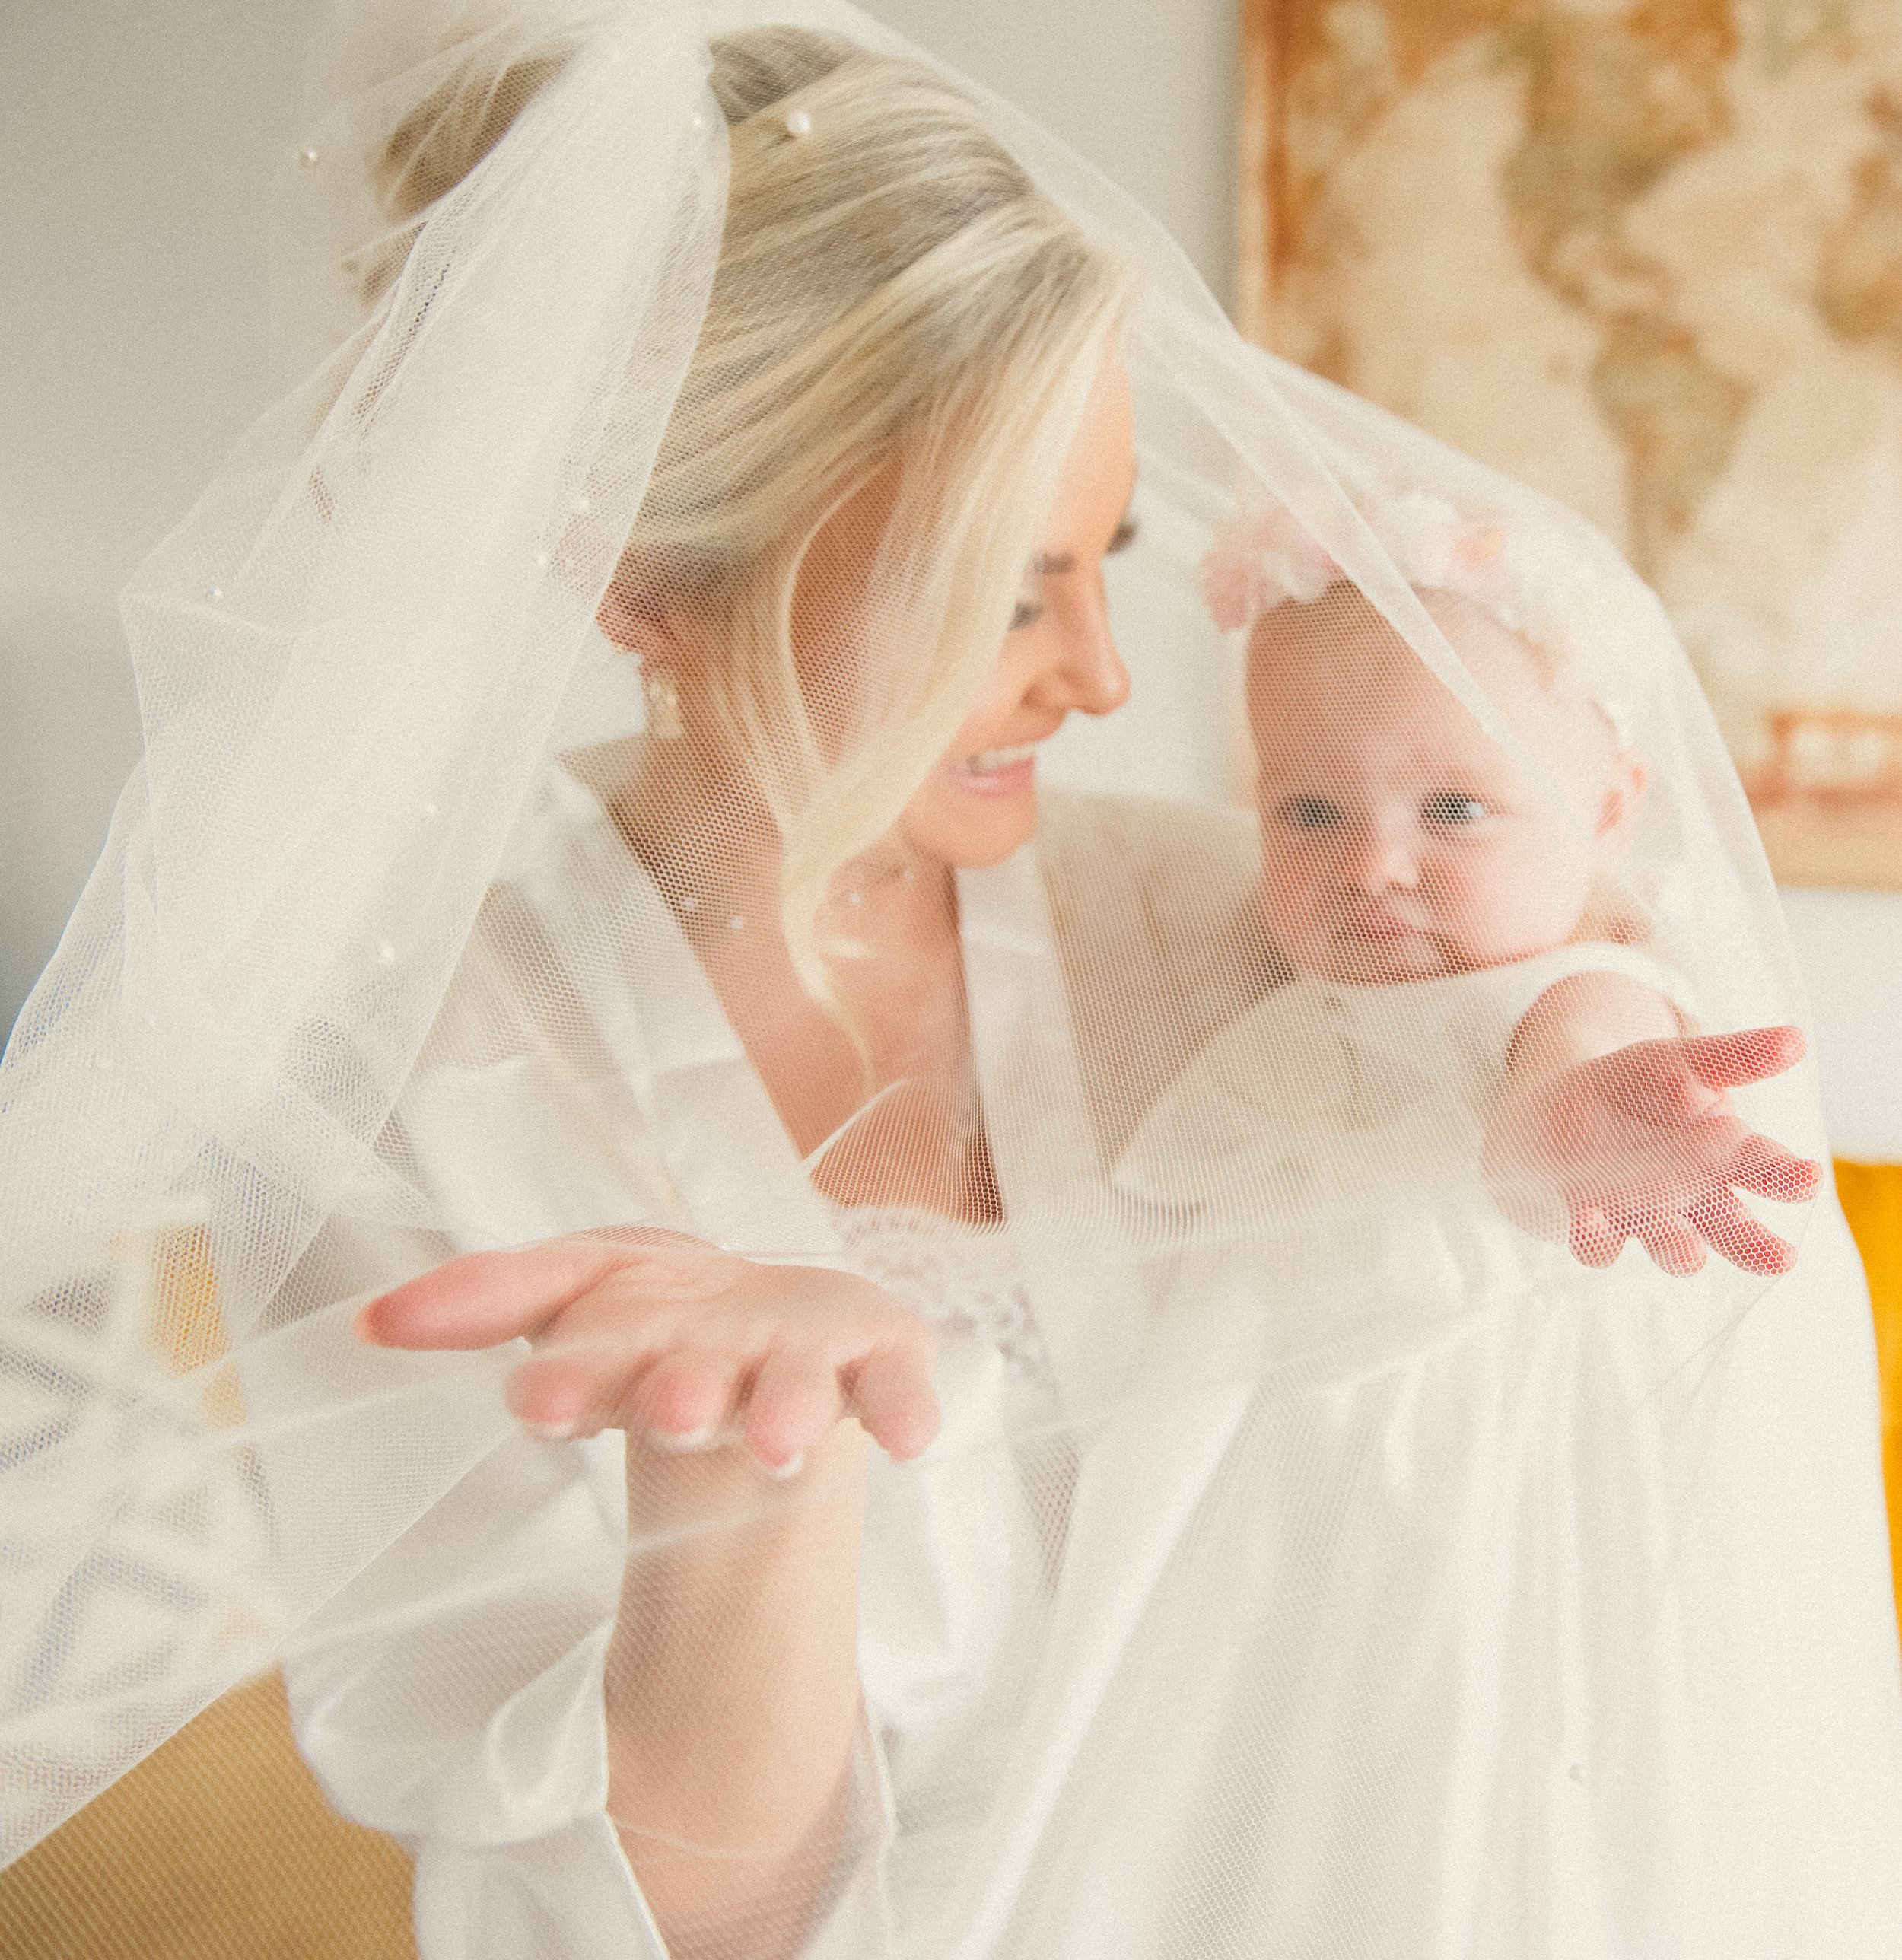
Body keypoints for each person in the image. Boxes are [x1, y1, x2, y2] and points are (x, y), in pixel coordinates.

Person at [3, 5, 1899, 1959]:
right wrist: (742, 1467)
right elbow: (668, 1928)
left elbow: (1579, 1401)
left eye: (1108, 561)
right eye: (1005, 590)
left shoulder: (1269, 926)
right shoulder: (397, 1082)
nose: (1098, 678)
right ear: (641, 579)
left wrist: (1595, 1079)